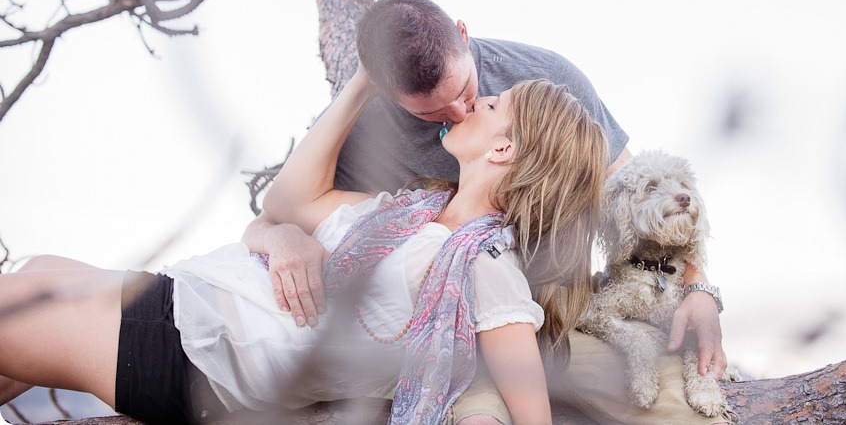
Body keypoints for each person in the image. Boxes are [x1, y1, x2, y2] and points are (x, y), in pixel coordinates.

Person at [0, 71, 609, 424]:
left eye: (494, 106)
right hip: (187, 301)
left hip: (192, 354)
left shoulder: (484, 263)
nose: (478, 101)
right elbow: (287, 207)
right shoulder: (409, 211)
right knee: (38, 268)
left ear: (502, 151)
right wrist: (362, 86)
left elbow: (534, 416)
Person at [268, 0, 729, 424]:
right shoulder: (367, 133)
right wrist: (280, 235)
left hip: (554, 318)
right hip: (445, 334)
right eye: (431, 113)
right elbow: (295, 208)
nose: (459, 112)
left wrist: (698, 288)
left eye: (467, 90)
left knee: (665, 391)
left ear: (464, 35)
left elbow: (644, 198)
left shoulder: (544, 86)